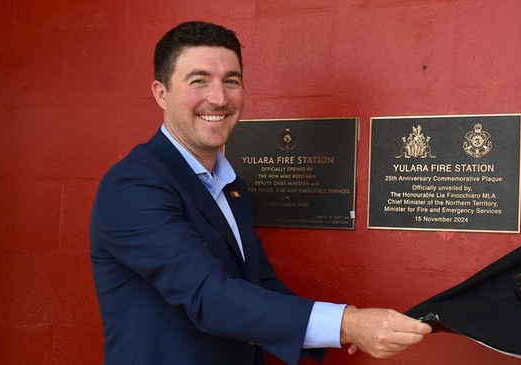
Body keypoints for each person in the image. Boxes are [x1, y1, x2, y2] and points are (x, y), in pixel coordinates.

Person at [90, 21, 431, 365]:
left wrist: (349, 321)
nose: (219, 98)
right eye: (199, 81)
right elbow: (209, 296)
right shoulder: (133, 186)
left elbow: (258, 284)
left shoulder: (232, 187)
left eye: (231, 81)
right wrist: (348, 325)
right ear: (161, 93)